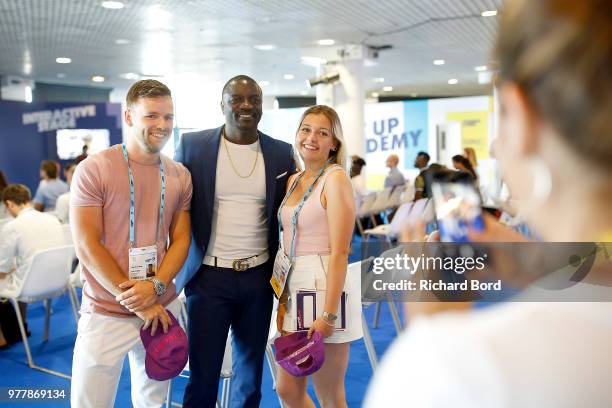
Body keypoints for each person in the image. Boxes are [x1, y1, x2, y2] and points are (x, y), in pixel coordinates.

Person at [365, 0, 612, 406]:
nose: (496, 146)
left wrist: (434, 334)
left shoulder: (462, 372)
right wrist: (539, 262)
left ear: (523, 115)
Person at [174, 75, 296, 407]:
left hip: (258, 277)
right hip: (208, 278)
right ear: (222, 104)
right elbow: (172, 207)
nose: (246, 106)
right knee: (203, 375)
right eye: (236, 99)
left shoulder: (281, 154)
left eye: (253, 99)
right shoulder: (193, 146)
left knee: (250, 374)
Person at [70, 79, 193, 408]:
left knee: (154, 402)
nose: (162, 125)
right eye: (152, 116)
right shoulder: (94, 169)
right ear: (128, 117)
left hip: (161, 308)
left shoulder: (179, 175)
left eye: (168, 117)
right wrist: (137, 300)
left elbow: (181, 239)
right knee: (90, 402)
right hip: (106, 310)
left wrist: (155, 286)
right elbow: (86, 244)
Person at [275, 105, 362, 407]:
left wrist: (328, 314)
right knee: (287, 388)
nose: (311, 137)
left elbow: (340, 252)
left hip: (325, 287)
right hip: (293, 284)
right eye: (306, 129)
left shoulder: (335, 179)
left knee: (330, 395)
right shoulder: (293, 180)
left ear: (333, 143)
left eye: (322, 133)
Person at [0, 184, 64, 346]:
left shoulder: (12, 227)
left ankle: (2, 339)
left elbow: (2, 268)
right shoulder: (52, 219)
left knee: (13, 277)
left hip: (30, 287)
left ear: (9, 204)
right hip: (60, 282)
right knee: (22, 272)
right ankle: (21, 326)